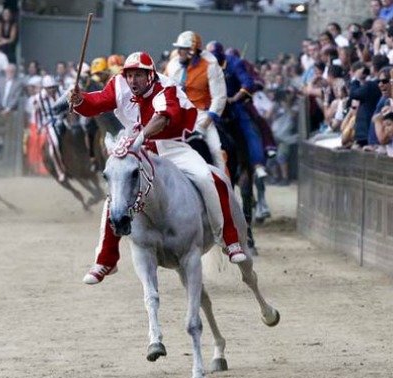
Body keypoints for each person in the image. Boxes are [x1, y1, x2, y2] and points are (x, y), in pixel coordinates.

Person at [67, 51, 248, 285]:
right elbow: (99, 102)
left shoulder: (166, 87)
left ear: (150, 75)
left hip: (171, 146)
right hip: (138, 147)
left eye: (138, 76)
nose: (132, 81)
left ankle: (229, 239)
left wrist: (140, 137)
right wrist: (80, 101)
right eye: (129, 75)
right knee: (116, 195)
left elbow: (162, 118)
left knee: (207, 177)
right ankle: (106, 260)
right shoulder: (119, 84)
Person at [165, 31, 227, 172]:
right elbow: (164, 89)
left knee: (216, 150)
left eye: (183, 48)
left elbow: (219, 96)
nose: (179, 51)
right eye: (179, 48)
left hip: (201, 116)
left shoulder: (210, 65)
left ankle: (223, 188)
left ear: (192, 51)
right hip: (177, 114)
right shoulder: (172, 65)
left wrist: (206, 123)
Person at [206, 40, 268, 178]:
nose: (212, 59)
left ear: (221, 54)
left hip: (234, 104)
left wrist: (235, 98)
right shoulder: (205, 64)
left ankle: (258, 164)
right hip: (213, 105)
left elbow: (247, 82)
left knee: (250, 130)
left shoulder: (235, 63)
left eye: (215, 55)